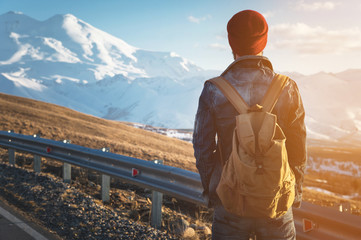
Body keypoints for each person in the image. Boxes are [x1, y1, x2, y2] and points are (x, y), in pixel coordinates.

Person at [193, 10, 307, 240]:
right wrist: (294, 190)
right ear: (264, 41)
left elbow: (202, 147)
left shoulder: (213, 90)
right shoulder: (287, 87)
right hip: (277, 198)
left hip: (231, 198)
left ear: (231, 43)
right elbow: (298, 146)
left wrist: (213, 189)